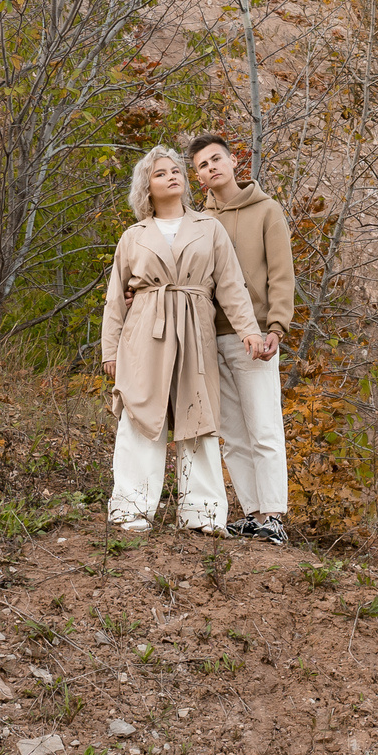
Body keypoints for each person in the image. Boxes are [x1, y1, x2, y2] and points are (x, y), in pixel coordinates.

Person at [98, 145, 267, 537]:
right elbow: (114, 297)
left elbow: (231, 286)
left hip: (195, 330)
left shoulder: (209, 228)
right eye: (161, 173)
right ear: (147, 186)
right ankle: (131, 509)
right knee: (141, 416)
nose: (172, 176)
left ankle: (203, 514)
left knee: (199, 418)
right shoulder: (133, 236)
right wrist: (110, 350)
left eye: (176, 171)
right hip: (144, 332)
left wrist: (248, 331)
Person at [188, 132, 296, 545]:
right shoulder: (199, 222)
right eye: (203, 164)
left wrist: (276, 328)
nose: (212, 167)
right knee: (232, 432)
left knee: (264, 427)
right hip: (211, 337)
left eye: (217, 159)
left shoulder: (267, 211)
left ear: (235, 162)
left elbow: (282, 276)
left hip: (255, 336)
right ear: (198, 177)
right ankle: (253, 514)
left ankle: (274, 517)